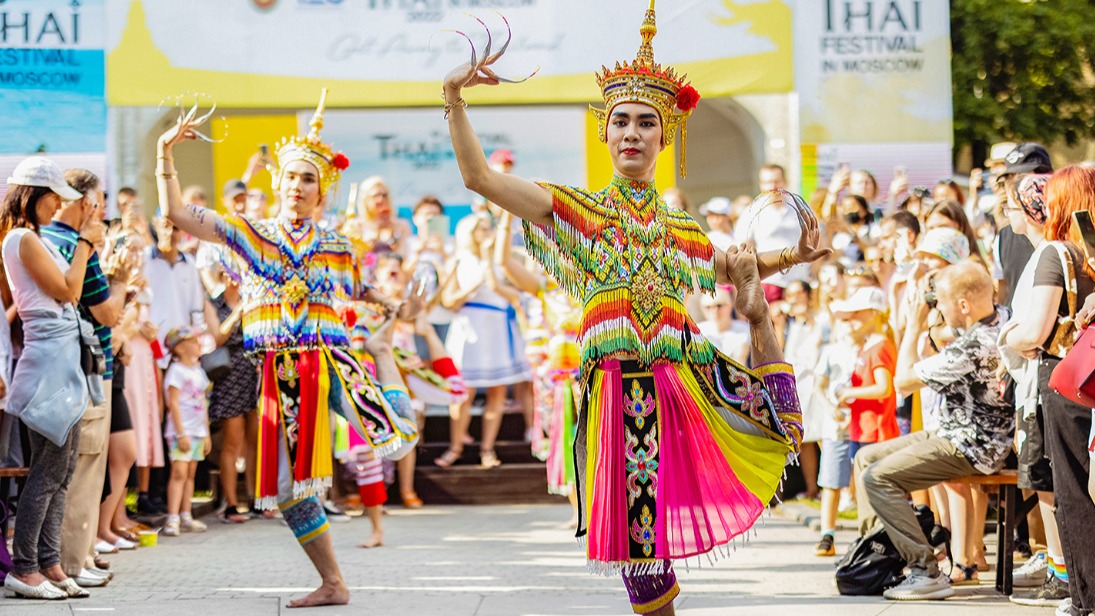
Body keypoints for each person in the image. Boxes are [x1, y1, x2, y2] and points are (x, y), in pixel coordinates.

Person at [442, 3, 827, 612]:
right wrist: (453, 96)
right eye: (620, 120)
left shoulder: (678, 224)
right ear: (605, 131)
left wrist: (793, 257)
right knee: (639, 542)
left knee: (780, 427)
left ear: (661, 136)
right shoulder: (578, 211)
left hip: (685, 378)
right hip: (621, 389)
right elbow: (480, 179)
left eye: (646, 122)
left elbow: (731, 269)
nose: (631, 132)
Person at [155, 90, 418, 607]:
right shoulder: (250, 233)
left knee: (398, 436)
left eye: (308, 178)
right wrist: (165, 153)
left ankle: (384, 359)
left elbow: (360, 292)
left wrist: (394, 307)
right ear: (277, 182)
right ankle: (334, 582)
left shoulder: (340, 245)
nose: (298, 185)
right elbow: (177, 214)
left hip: (333, 360)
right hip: (279, 374)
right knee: (290, 491)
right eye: (291, 175)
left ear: (322, 191)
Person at [857, 261, 1013, 601]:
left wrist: (912, 326)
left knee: (876, 477)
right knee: (864, 458)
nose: (937, 308)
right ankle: (881, 556)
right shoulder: (1002, 317)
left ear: (963, 305)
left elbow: (902, 382)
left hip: (972, 446)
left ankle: (924, 570)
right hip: (956, 433)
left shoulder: (974, 346)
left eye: (941, 301)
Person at [1, 156, 102, 599]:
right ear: (35, 196)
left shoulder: (32, 237)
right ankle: (25, 568)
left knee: (60, 473)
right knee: (47, 472)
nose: (59, 205)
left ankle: (50, 564)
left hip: (59, 365)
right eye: (54, 197)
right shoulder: (22, 237)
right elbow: (68, 291)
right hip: (47, 369)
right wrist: (84, 244)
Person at [1003, 165, 1095, 613]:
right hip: (1088, 374)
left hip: (1065, 378)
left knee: (1070, 490)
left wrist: (1009, 337)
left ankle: (1081, 593)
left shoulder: (1055, 252)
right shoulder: (1089, 252)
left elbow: (1035, 331)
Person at [41, 169, 138, 579]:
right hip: (89, 366)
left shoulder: (43, 240)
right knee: (82, 471)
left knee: (72, 469)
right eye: (99, 203)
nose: (101, 212)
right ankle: (71, 561)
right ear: (85, 204)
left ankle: (70, 559)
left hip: (59, 367)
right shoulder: (77, 246)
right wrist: (121, 285)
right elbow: (107, 312)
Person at [812, 286, 896, 558]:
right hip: (841, 425)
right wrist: (832, 407)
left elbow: (882, 387)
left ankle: (870, 533)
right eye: (845, 319)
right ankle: (830, 533)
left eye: (853, 317)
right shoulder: (835, 350)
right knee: (833, 480)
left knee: (866, 480)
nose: (849, 324)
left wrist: (849, 394)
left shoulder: (873, 347)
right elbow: (819, 386)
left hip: (868, 426)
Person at [204, 258, 259, 523]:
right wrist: (238, 313)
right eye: (231, 274)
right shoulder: (213, 304)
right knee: (232, 442)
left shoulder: (255, 301)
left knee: (255, 442)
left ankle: (256, 499)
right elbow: (216, 338)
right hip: (229, 373)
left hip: (253, 371)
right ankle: (231, 504)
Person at [159, 326, 211, 537]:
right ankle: (172, 517)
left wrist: (206, 433)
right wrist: (180, 433)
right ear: (179, 348)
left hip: (198, 431)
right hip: (182, 431)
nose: (198, 344)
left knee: (190, 474)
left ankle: (186, 514)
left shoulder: (199, 372)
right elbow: (173, 403)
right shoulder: (176, 371)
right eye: (193, 341)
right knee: (179, 473)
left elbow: (203, 402)